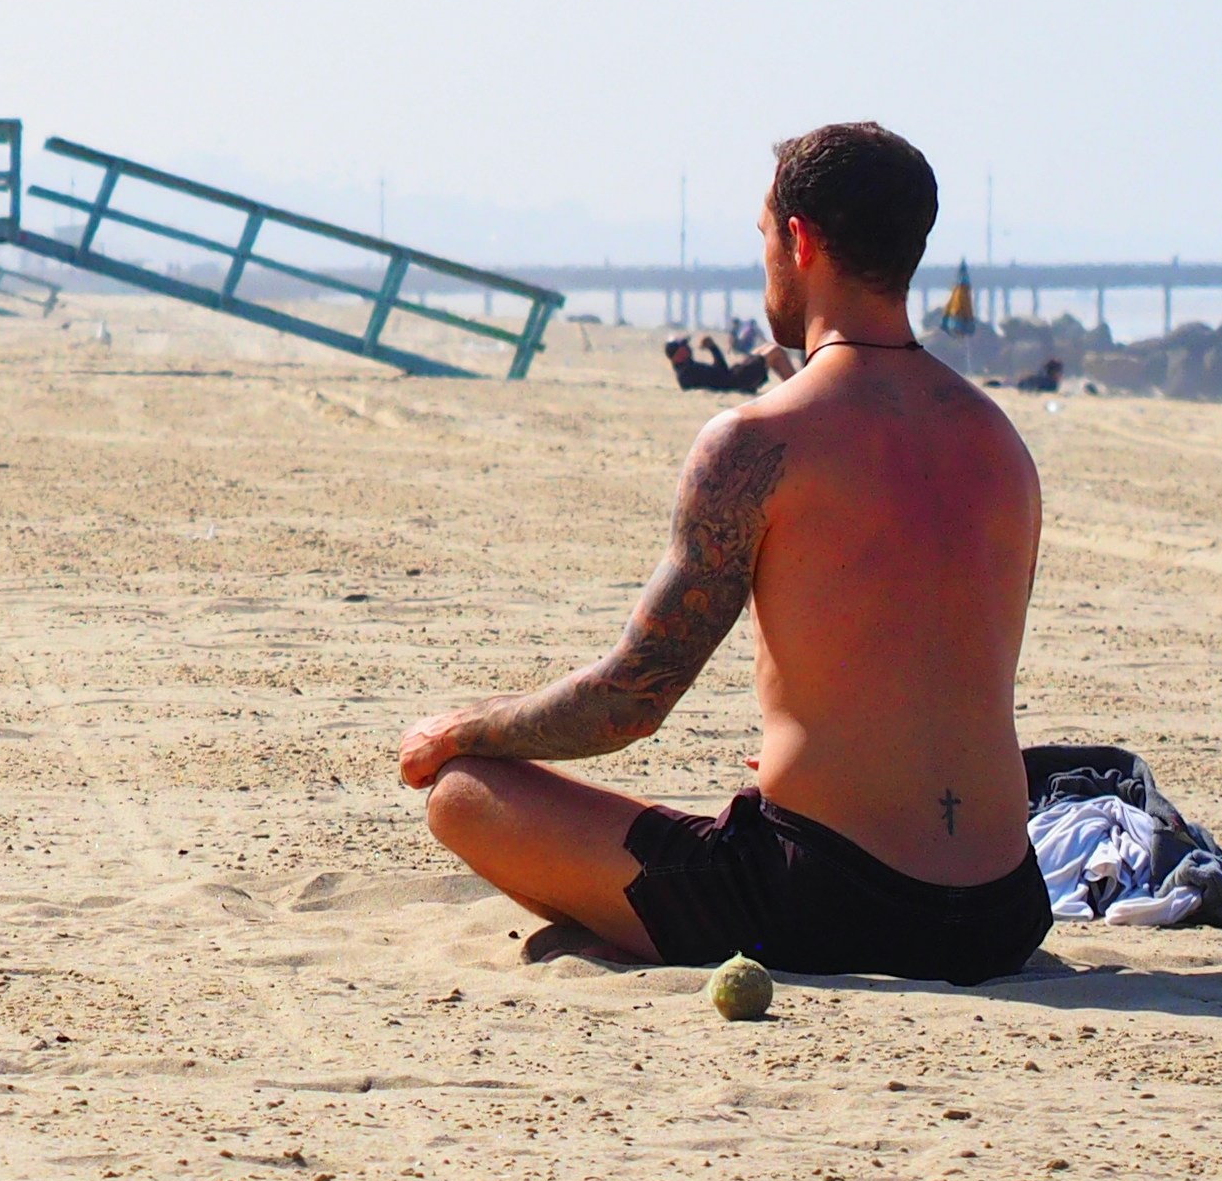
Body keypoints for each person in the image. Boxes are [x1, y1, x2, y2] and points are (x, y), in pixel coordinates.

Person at [399, 121, 1052, 985]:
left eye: (762, 237)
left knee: (463, 795)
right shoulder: (998, 440)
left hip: (826, 903)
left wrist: (461, 731)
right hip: (1004, 911)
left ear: (800, 238)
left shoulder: (760, 441)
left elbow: (631, 698)